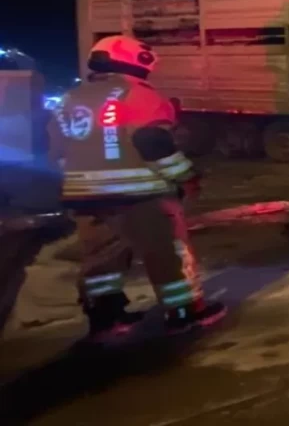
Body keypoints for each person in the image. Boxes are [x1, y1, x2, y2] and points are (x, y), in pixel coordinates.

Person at [47, 35, 225, 342]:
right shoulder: (139, 94)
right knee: (165, 254)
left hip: (85, 198)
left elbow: (57, 151)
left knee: (101, 258)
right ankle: (183, 313)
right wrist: (186, 176)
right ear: (137, 61)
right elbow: (153, 144)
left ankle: (105, 317)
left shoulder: (70, 98)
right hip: (140, 196)